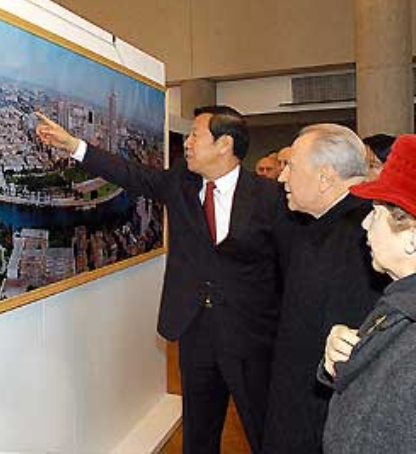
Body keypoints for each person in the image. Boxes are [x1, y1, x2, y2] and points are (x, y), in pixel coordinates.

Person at [36, 106, 287, 454]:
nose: (188, 143)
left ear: (224, 144)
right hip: (194, 330)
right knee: (198, 433)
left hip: (250, 335)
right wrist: (74, 145)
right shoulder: (181, 183)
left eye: (196, 134)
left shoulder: (270, 197)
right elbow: (131, 173)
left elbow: (287, 267)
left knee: (265, 431)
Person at [263, 124, 386, 454]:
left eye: (291, 167)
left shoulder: (364, 239)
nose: (282, 177)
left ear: (324, 177)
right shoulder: (324, 226)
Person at [321, 134, 416, 453]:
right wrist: (342, 358)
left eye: (375, 213)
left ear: (412, 238)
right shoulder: (400, 301)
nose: (364, 224)